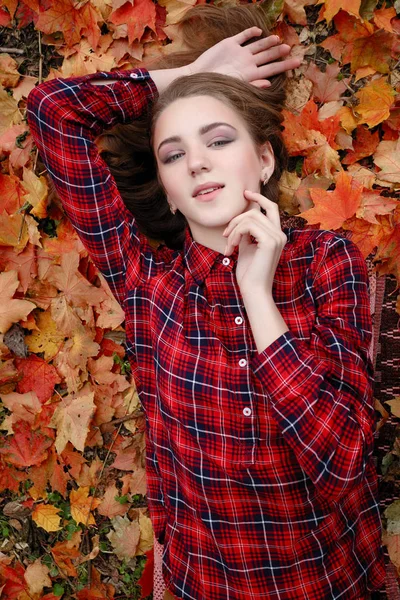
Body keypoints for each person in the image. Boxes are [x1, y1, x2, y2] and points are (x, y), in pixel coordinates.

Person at [27, 4, 386, 599]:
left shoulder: (328, 261)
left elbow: (343, 464)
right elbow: (51, 110)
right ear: (168, 193)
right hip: (209, 581)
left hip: (327, 580)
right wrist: (185, 77)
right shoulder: (148, 285)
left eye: (218, 140)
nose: (196, 160)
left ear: (265, 159)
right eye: (173, 154)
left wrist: (257, 294)